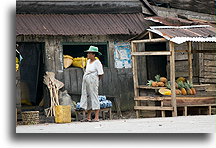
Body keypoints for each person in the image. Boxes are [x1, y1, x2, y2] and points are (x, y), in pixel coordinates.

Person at [80, 46, 104, 122]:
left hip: (93, 81)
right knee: (88, 97)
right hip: (87, 80)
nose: (88, 54)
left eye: (89, 53)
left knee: (94, 97)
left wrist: (95, 81)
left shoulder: (97, 62)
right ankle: (88, 117)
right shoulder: (88, 62)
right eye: (88, 53)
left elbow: (100, 73)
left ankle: (96, 117)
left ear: (93, 55)